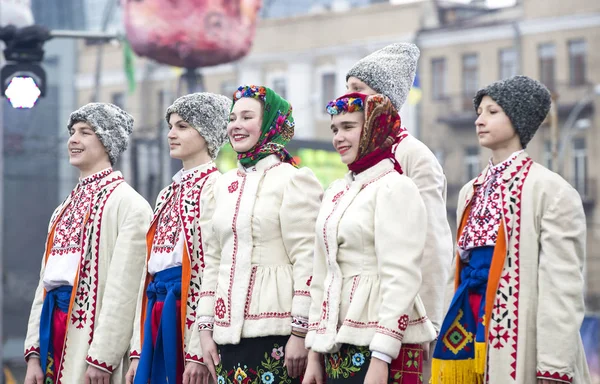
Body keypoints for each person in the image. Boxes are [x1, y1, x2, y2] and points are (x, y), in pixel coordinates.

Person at [431, 76, 591, 384]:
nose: (479, 120)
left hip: (521, 338)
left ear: (518, 119)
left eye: (492, 112)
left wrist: (553, 365)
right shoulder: (470, 190)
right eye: (479, 112)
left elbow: (562, 284)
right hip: (466, 328)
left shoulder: (551, 191)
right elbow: (457, 270)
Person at [303, 92, 437, 384]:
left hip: (383, 345)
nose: (339, 137)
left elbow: (401, 277)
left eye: (349, 126)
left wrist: (382, 357)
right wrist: (314, 354)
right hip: (337, 344)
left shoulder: (395, 187)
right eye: (335, 129)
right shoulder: (335, 193)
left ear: (375, 127)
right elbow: (321, 277)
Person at [197, 85, 323, 384]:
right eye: (232, 118)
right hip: (226, 334)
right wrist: (204, 330)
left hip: (278, 333)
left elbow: (308, 258)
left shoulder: (294, 180)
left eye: (247, 117)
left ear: (270, 123)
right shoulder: (219, 186)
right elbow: (212, 261)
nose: (236, 125)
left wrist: (299, 332)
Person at [24, 103, 152, 384]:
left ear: (107, 141)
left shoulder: (130, 206)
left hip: (90, 339)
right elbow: (43, 286)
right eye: (72, 132)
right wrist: (33, 353)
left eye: (85, 132)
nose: (73, 139)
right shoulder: (63, 209)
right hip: (51, 330)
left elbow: (126, 290)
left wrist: (102, 358)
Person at [346, 43, 454, 366]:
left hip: (402, 321)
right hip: (357, 316)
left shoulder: (414, 156)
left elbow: (433, 245)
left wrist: (429, 325)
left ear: (384, 98)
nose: (347, 100)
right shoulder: (358, 158)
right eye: (347, 89)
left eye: (358, 90)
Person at [126, 93, 231, 384]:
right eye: (171, 126)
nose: (171, 134)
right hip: (157, 308)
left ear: (207, 131)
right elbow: (146, 277)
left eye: (183, 126)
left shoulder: (217, 187)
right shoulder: (166, 192)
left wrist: (198, 351)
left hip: (185, 313)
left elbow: (211, 269)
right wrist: (137, 351)